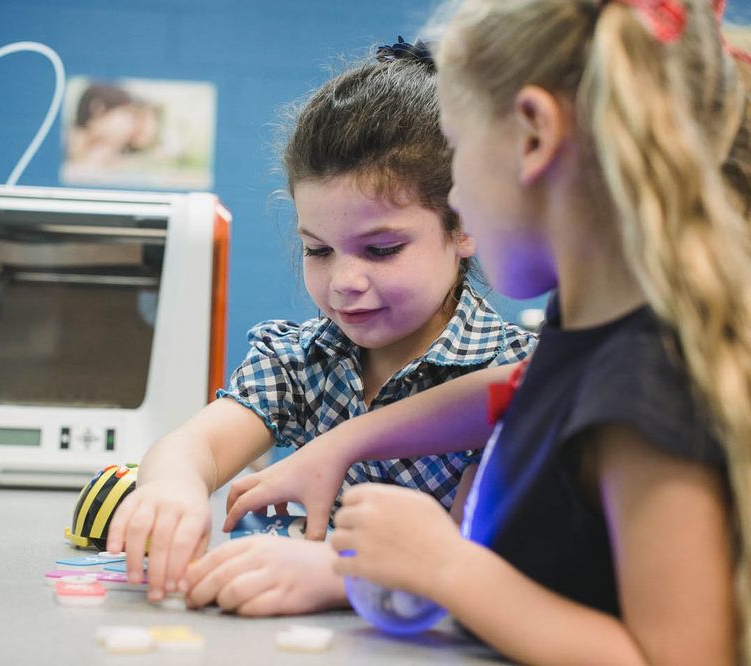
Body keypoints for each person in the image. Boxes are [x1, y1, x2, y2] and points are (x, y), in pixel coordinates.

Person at [226, 0, 751, 661]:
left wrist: (445, 567)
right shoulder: (590, 329)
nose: (460, 202)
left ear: (532, 136)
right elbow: (510, 392)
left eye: (458, 146)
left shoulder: (647, 386)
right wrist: (342, 445)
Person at [103, 39, 536, 613]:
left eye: (381, 249)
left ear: (464, 226)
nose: (344, 281)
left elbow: (482, 567)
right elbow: (196, 446)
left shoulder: (515, 373)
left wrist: (341, 574)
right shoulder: (298, 359)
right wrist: (170, 488)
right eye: (319, 249)